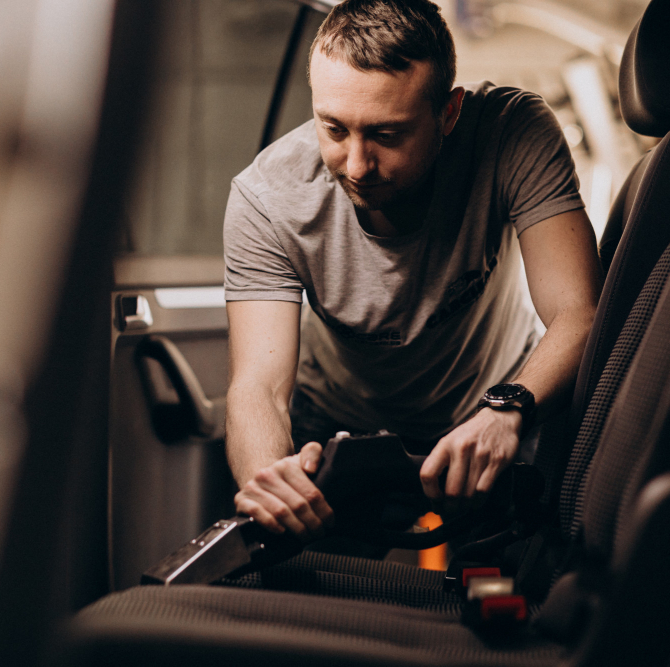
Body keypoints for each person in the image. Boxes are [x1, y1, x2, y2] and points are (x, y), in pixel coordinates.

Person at [223, 0, 602, 540]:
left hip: (498, 401)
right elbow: (256, 386)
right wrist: (268, 478)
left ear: (448, 114)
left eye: (387, 134)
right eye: (333, 129)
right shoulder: (266, 197)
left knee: (508, 591)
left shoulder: (510, 132)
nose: (356, 165)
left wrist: (508, 411)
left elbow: (579, 314)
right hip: (338, 418)